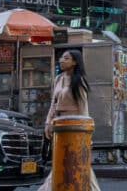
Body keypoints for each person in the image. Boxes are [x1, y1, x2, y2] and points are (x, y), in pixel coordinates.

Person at [39, 50, 99, 191]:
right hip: (59, 125)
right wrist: (48, 123)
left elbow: (84, 108)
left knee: (74, 161)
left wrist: (86, 132)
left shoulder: (79, 81)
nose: (61, 60)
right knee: (63, 160)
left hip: (75, 126)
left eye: (66, 58)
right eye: (61, 57)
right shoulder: (59, 79)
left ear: (75, 62)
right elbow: (53, 103)